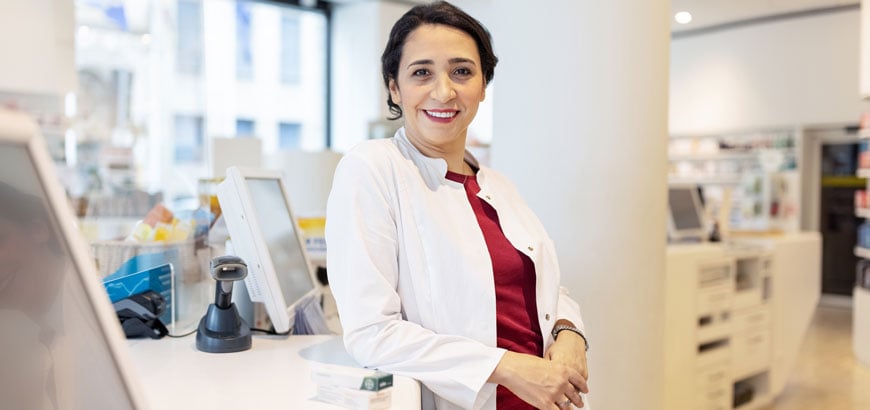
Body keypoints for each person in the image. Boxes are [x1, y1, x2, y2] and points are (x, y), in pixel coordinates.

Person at [326, 2, 589, 409]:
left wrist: (571, 332)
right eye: (421, 72)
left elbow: (543, 288)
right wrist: (505, 367)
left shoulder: (497, 184)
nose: (444, 91)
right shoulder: (373, 168)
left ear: (483, 86)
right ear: (394, 88)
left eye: (462, 71)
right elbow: (371, 334)